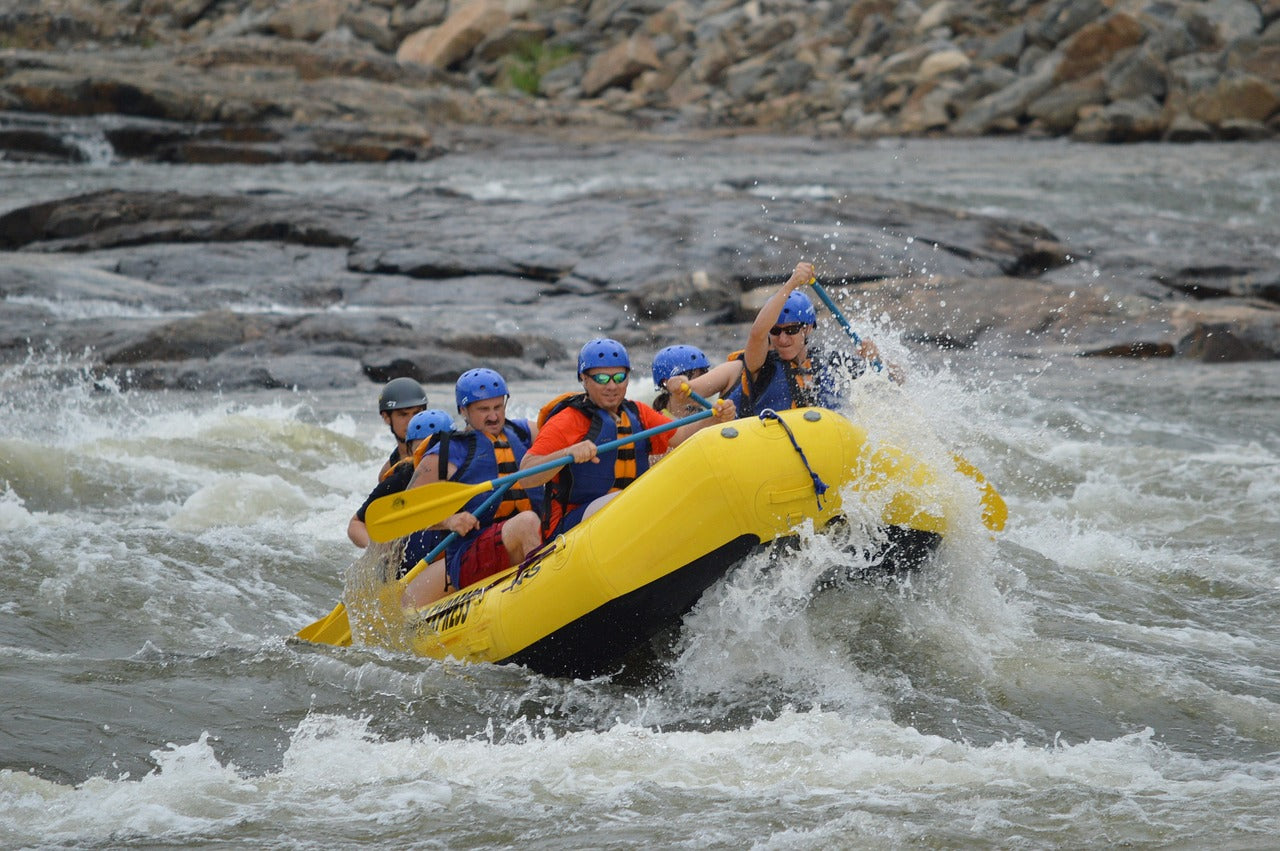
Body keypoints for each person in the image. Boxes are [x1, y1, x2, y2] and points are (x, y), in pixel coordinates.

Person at [519, 338, 736, 538]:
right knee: (631, 500)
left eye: (619, 377)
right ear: (584, 379)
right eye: (602, 378)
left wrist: (715, 419)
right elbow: (526, 475)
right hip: (571, 527)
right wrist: (567, 452)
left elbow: (682, 436)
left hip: (629, 516)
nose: (612, 386)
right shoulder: (567, 421)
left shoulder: (638, 413)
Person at [681, 260, 887, 416]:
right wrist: (791, 284)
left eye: (791, 330)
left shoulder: (831, 361)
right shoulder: (761, 366)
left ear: (807, 330)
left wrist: (876, 360)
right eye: (776, 331)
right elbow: (757, 334)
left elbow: (894, 383)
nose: (782, 338)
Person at [409, 368, 544, 594]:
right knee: (527, 522)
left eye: (498, 407)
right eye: (483, 409)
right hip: (470, 555)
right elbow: (410, 510)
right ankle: (541, 595)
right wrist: (449, 521)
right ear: (463, 410)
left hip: (522, 537)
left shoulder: (524, 432)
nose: (493, 416)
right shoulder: (447, 453)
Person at [347, 407, 455, 585]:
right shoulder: (400, 479)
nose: (429, 457)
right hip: (409, 569)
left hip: (448, 560)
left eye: (436, 449)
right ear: (411, 451)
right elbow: (356, 524)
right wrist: (379, 550)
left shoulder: (469, 470)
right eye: (422, 450)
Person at [373, 376, 429, 480]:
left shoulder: (445, 451)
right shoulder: (387, 474)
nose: (412, 421)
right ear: (386, 417)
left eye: (417, 413)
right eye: (403, 415)